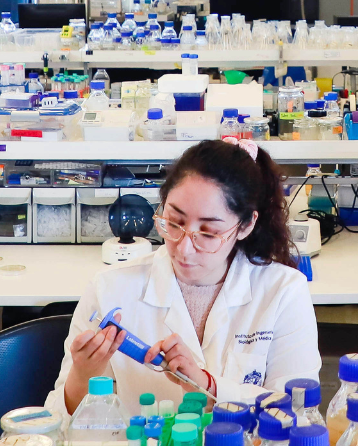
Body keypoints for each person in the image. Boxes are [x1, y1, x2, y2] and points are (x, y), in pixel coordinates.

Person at [46, 139, 320, 412]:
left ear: (246, 226)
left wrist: (208, 386)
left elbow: (299, 412)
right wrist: (82, 375)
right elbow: (59, 418)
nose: (184, 248)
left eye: (208, 233)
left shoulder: (284, 291)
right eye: (174, 222)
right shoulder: (109, 288)